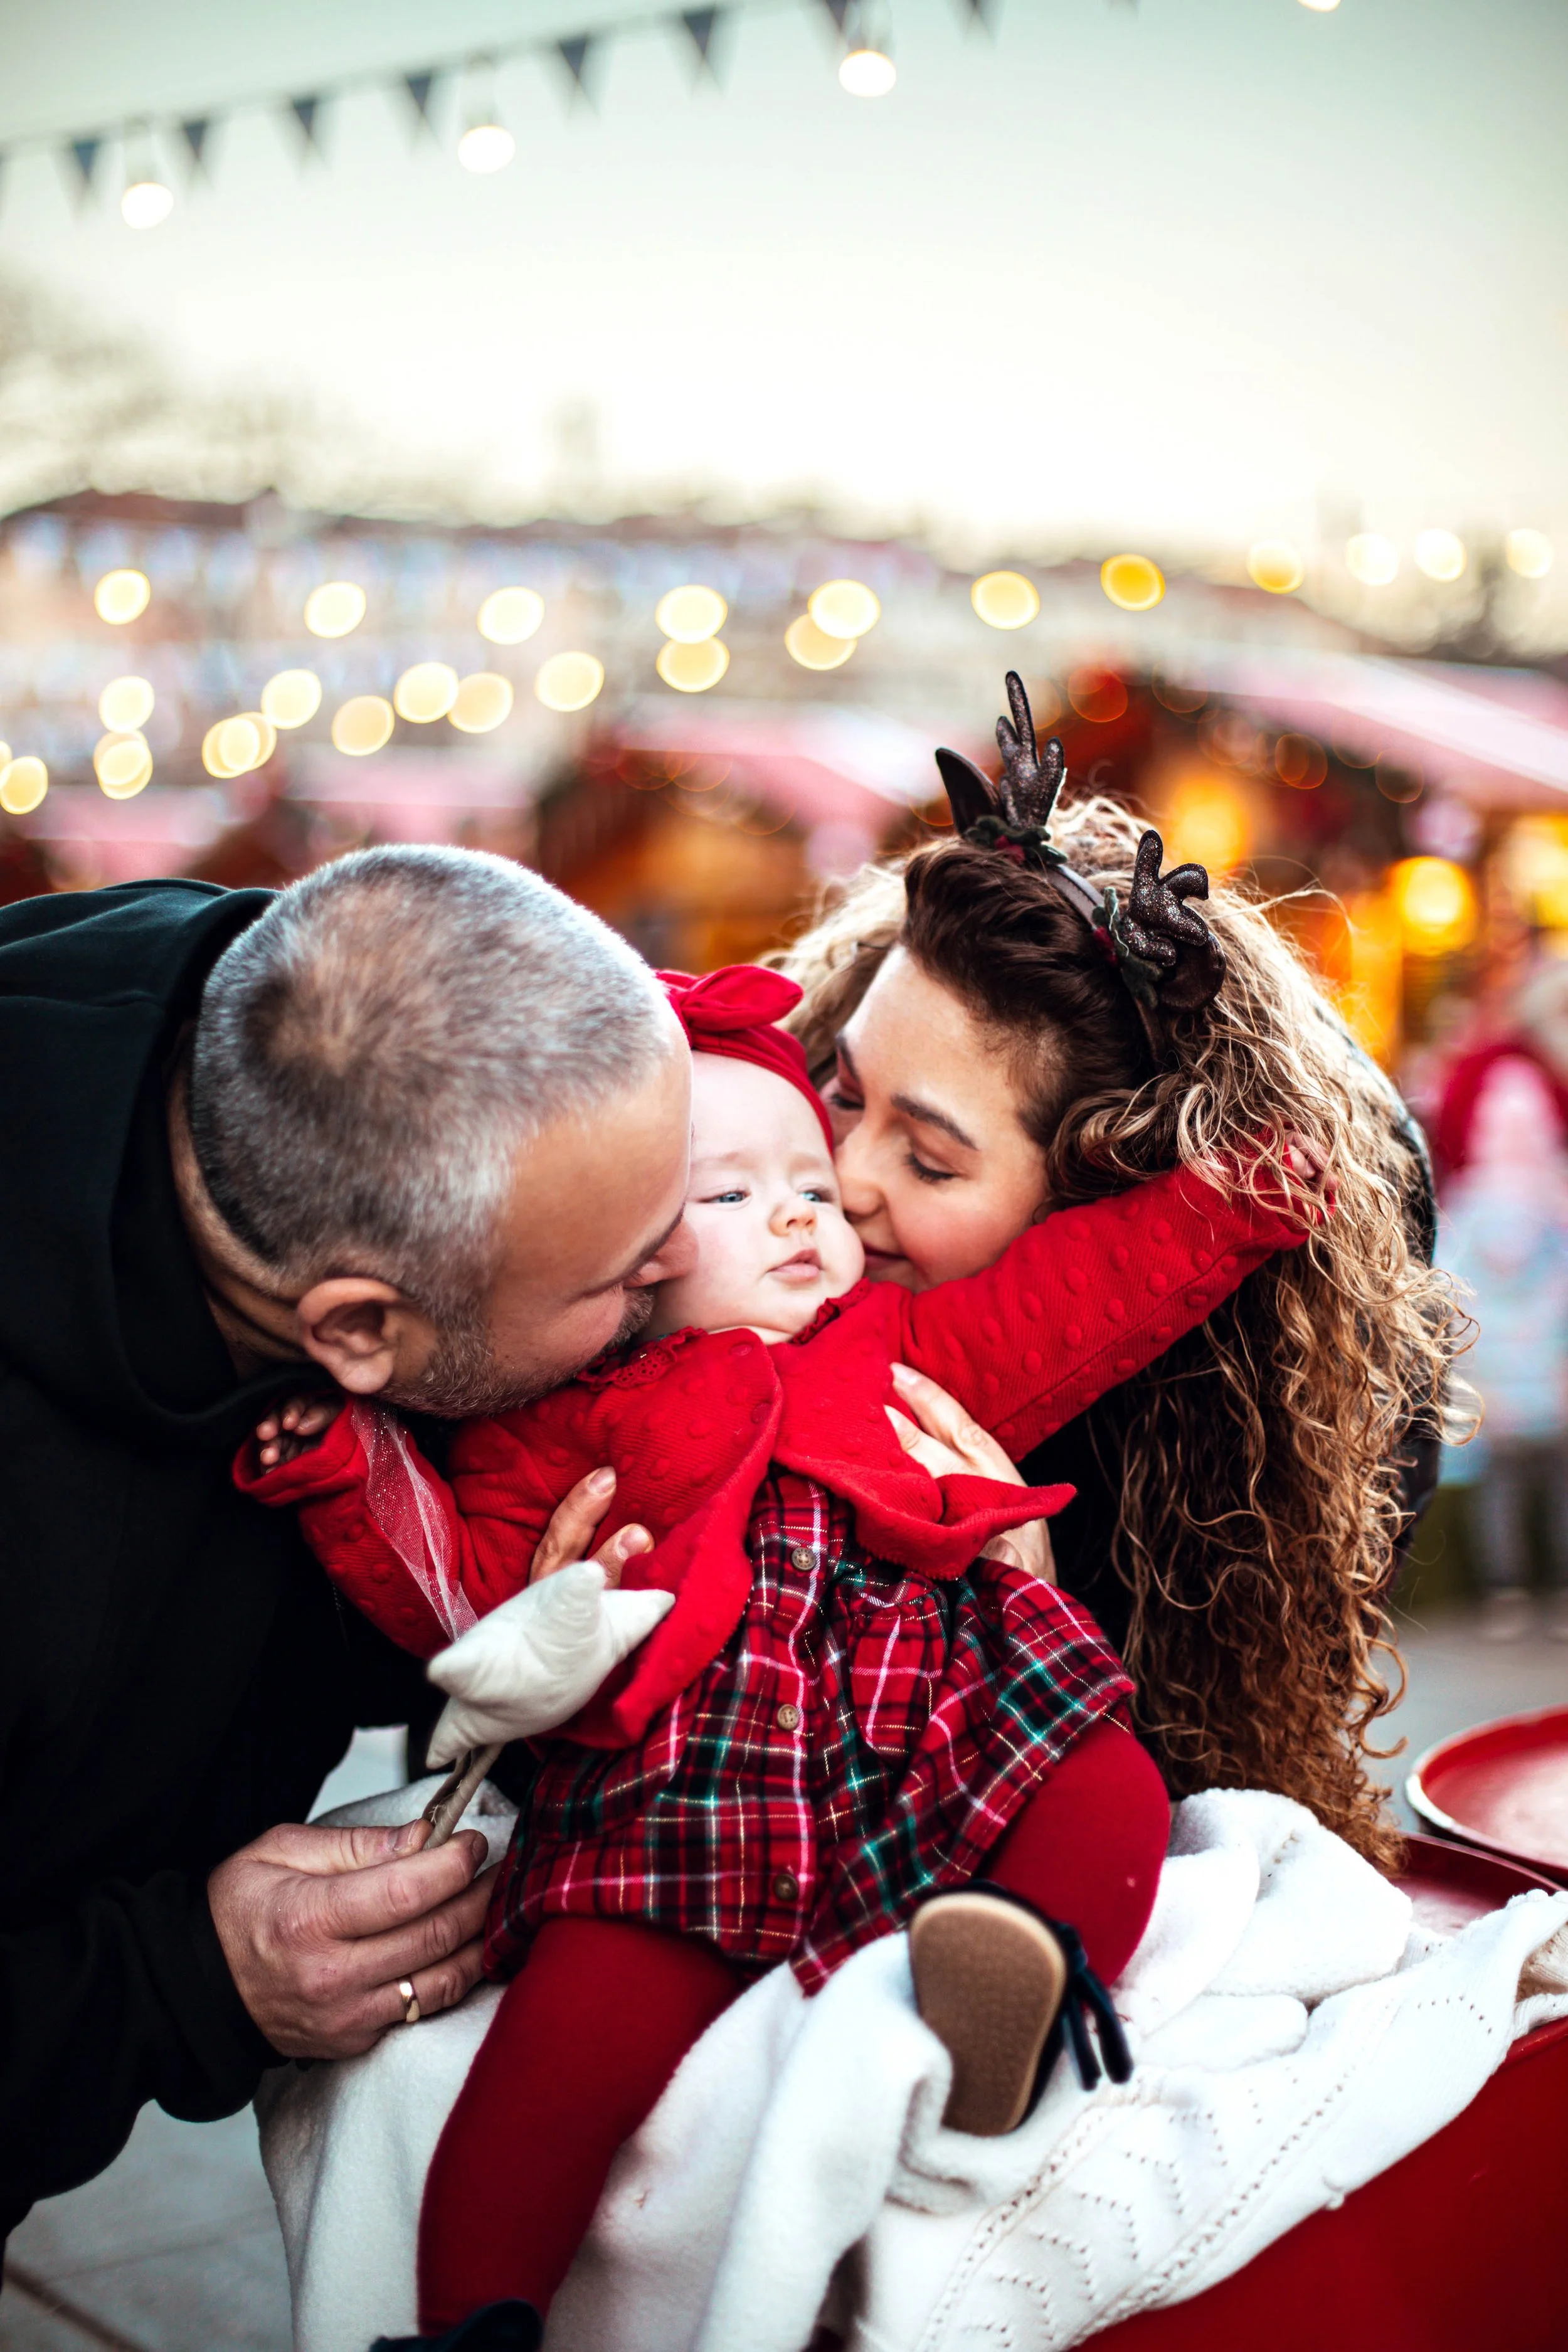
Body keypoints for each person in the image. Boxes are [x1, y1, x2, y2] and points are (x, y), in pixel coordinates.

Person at [245, 941, 1309, 2338]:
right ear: (620, 1252)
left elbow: (1075, 1295)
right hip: (704, 1761)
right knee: (572, 2034)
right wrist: (339, 1476)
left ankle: (1016, 1999)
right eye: (734, 1194)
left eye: (810, 1184)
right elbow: (449, 1571)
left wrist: (1234, 1206)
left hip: (929, 1711)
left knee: (1100, 1782)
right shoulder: (572, 1412)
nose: (811, 1214)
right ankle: (472, 2313)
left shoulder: (897, 1345)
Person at [0, 845, 702, 2243]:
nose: (680, 1270)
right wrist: (187, 1980)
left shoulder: (327, 1032)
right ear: (356, 1333)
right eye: (622, 1277)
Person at [781, 675, 1454, 1860]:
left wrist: (1022, 1636)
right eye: (843, 1091)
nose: (840, 1173)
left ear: (1099, 1203)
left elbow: (1127, 1841)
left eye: (931, 1162)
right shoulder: (749, 1223)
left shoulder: (1245, 1460)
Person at [1439, 1054, 1568, 1640]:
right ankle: (1515, 1587)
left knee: (1536, 1490)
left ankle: (1532, 1587)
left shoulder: (1544, 1205)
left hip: (1539, 1386)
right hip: (1516, 1389)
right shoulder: (1489, 1208)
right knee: (1516, 1492)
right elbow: (1457, 1298)